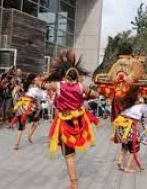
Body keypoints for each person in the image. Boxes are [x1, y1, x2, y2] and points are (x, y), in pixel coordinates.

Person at [35, 49, 99, 189]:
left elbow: (42, 85)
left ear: (64, 75)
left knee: (69, 156)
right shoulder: (81, 86)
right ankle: (73, 181)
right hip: (78, 121)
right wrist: (84, 96)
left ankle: (73, 183)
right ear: (76, 75)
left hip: (65, 122)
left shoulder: (58, 85)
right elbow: (95, 94)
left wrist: (40, 81)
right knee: (70, 153)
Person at [10, 73, 44, 150]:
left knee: (21, 126)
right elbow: (40, 98)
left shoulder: (25, 86)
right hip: (30, 108)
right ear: (34, 80)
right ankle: (29, 135)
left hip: (22, 106)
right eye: (37, 78)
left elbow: (14, 92)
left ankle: (16, 144)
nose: (39, 79)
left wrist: (18, 99)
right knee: (35, 122)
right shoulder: (35, 89)